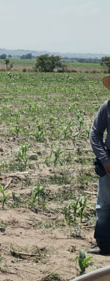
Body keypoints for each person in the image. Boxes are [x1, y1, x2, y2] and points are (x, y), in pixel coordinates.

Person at [88, 75, 110, 255]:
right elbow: (95, 133)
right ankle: (104, 244)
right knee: (104, 205)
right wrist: (105, 159)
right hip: (109, 163)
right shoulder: (107, 107)